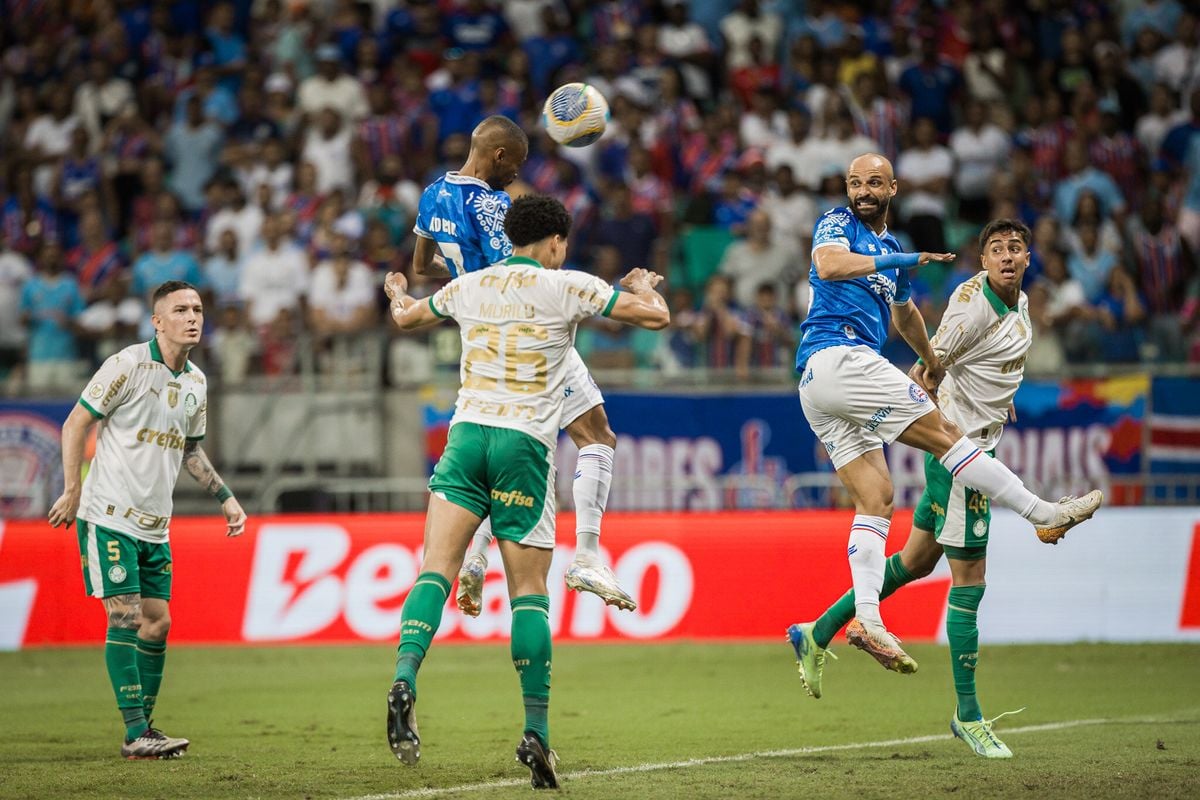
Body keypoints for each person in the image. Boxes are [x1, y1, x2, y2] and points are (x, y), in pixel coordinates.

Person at [382, 195, 669, 787]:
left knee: (434, 570)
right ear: (557, 242)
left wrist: (393, 295)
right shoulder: (569, 285)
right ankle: (536, 731)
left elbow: (408, 318)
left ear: (509, 237)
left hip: (464, 439)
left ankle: (405, 676)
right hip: (522, 448)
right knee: (529, 594)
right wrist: (645, 286)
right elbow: (654, 318)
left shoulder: (472, 285)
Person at [787, 154, 1102, 674]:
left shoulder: (888, 247)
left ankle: (864, 618)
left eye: (873, 183)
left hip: (820, 383)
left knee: (877, 498)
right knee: (951, 439)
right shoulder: (838, 224)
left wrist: (931, 362)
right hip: (839, 357)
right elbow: (828, 265)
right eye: (854, 183)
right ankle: (1043, 515)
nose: (862, 191)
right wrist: (901, 262)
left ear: (892, 187)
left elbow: (905, 312)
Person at [791, 219, 1070, 758]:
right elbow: (929, 368)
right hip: (963, 454)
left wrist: (995, 398)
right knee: (970, 579)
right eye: (996, 249)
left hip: (971, 436)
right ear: (982, 259)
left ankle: (818, 630)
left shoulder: (1020, 304)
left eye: (1016, 248)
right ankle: (969, 715)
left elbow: (981, 365)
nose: (1007, 256)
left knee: (914, 562)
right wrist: (941, 399)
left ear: (1029, 259)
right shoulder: (971, 303)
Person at [411, 115, 637, 614]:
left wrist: (459, 272)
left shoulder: (432, 194)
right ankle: (587, 554)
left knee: (498, 442)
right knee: (595, 436)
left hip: (477, 338)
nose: (515, 174)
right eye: (514, 163)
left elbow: (420, 266)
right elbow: (519, 266)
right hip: (525, 331)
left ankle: (475, 551)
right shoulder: (492, 206)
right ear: (497, 155)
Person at [46, 280, 247, 759]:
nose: (193, 317)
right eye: (180, 309)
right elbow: (77, 421)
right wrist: (73, 489)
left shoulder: (196, 382)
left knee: (158, 623)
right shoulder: (127, 365)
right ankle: (136, 733)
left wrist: (224, 496)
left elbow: (189, 449)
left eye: (198, 308)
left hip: (156, 524)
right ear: (157, 321)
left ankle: (146, 731)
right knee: (126, 615)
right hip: (108, 514)